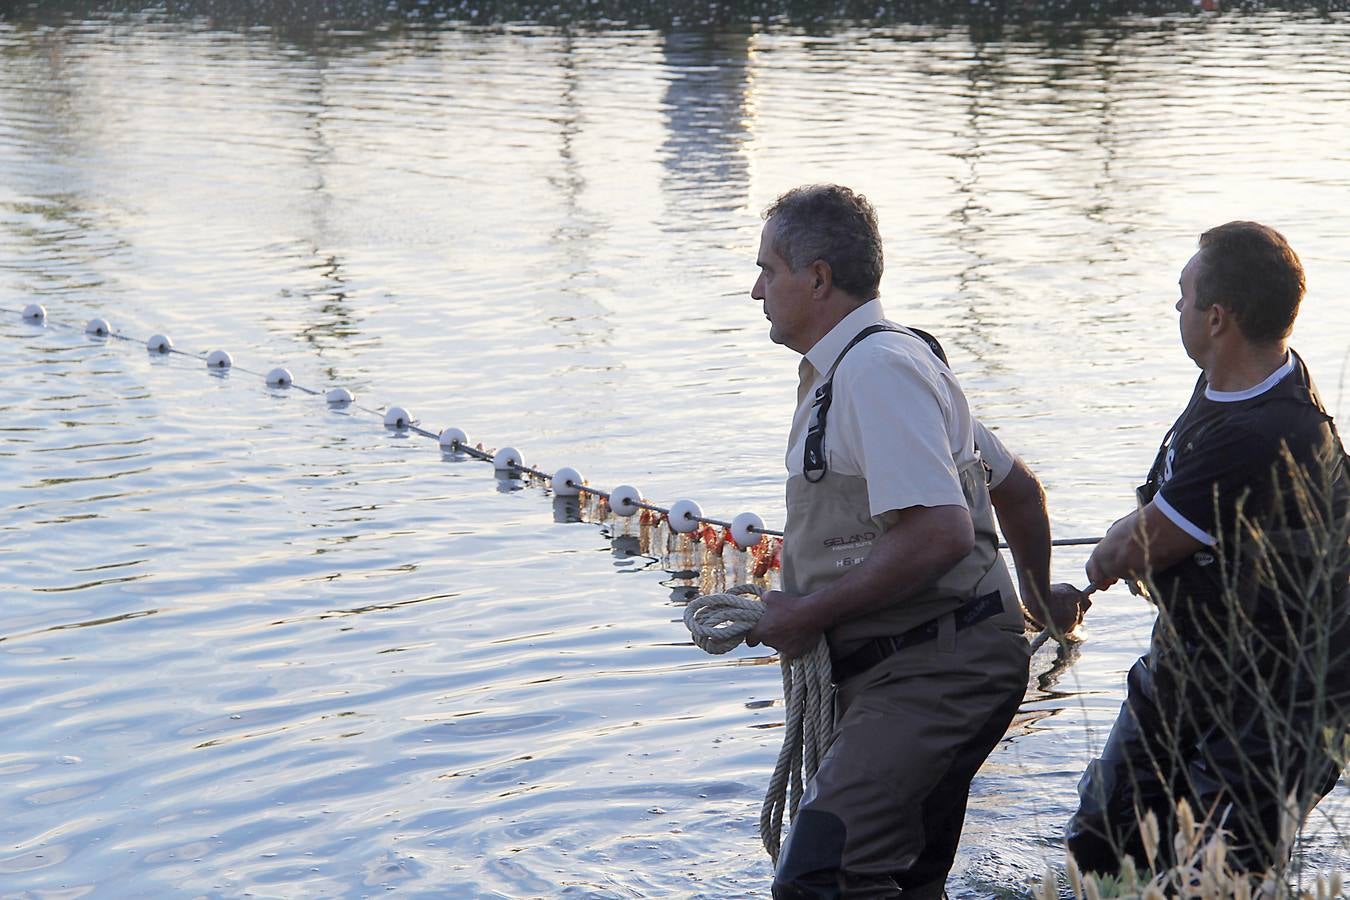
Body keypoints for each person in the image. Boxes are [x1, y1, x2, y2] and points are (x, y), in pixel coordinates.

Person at [744, 184, 1057, 899]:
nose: (755, 288)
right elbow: (1016, 490)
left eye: (768, 269)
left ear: (817, 277)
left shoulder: (877, 371)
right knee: (908, 883)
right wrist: (1038, 603)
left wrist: (806, 614)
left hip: (931, 674)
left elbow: (942, 532)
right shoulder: (876, 364)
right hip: (927, 665)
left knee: (821, 879)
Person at [1062, 222, 1350, 876]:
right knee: (1100, 846)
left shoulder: (1271, 427)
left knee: (1213, 876)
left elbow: (1133, 550)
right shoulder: (1230, 381)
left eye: (1184, 295)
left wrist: (1097, 566)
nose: (1176, 308)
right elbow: (1171, 509)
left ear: (1217, 318)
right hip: (1194, 657)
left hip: (1283, 698)